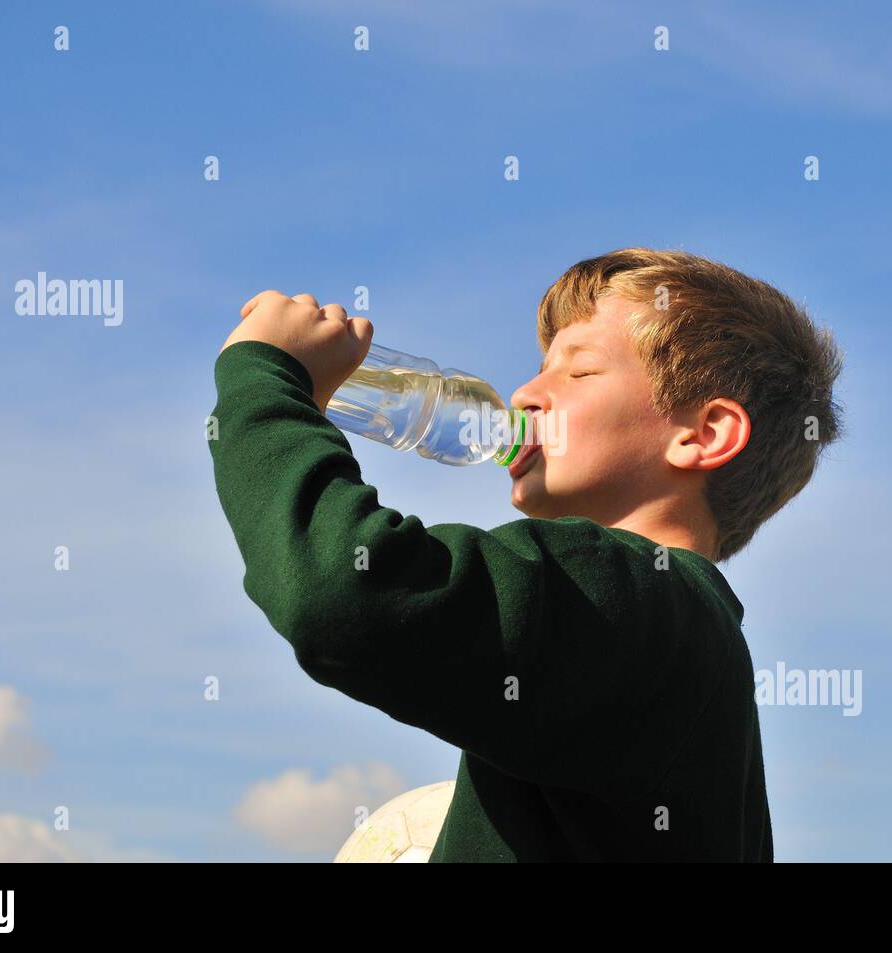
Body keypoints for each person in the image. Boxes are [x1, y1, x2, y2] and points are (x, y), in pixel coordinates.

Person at [209, 247, 844, 861]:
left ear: (703, 435)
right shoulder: (684, 644)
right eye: (541, 366)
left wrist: (266, 378)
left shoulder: (631, 594)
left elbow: (343, 589)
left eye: (579, 370)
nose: (522, 394)